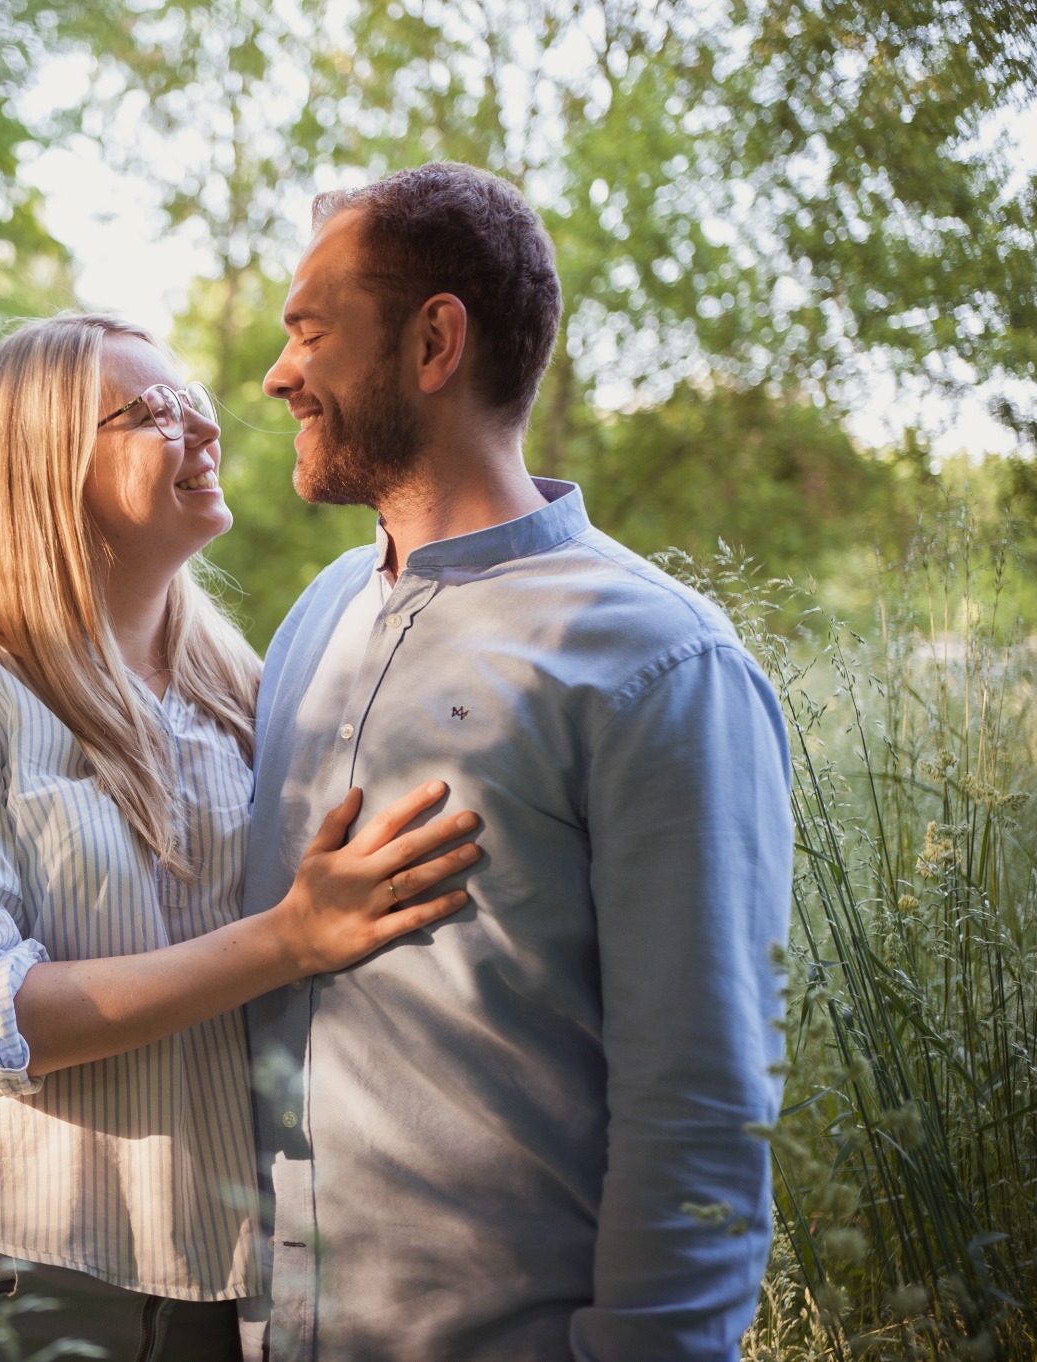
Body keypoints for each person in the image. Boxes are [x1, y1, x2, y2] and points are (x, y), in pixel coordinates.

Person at [0, 313, 484, 1362]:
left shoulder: (251, 695)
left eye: (194, 405)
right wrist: (289, 938)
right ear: (43, 470)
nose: (201, 430)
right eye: (148, 413)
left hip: (215, 1284)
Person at [241, 161, 793, 1361]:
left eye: (310, 332)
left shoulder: (656, 661)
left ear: (434, 341)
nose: (278, 374)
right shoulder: (314, 615)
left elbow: (700, 1104)